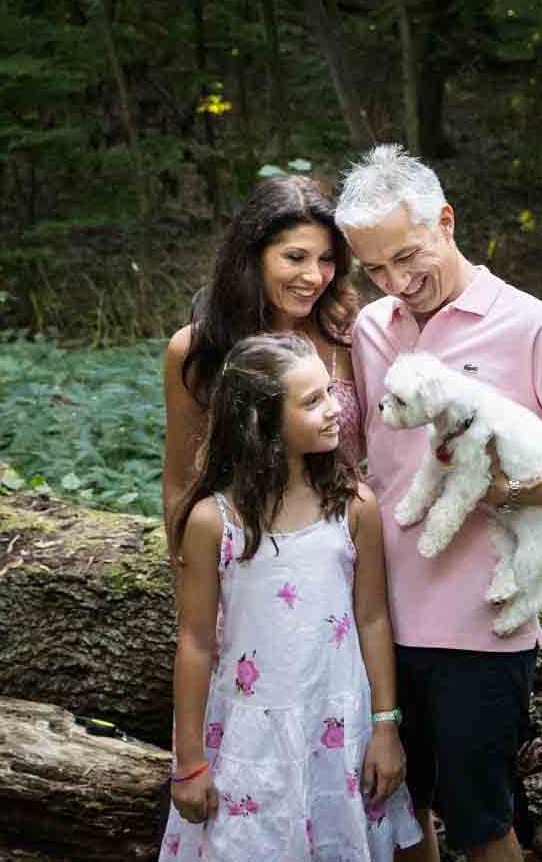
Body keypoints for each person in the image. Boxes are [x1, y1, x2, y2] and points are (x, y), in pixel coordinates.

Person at [335, 145, 542, 862]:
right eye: (375, 268)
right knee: (398, 815)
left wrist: (515, 491)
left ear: (446, 219)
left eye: (408, 256)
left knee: (482, 824)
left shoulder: (531, 324)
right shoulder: (371, 330)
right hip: (375, 617)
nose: (397, 282)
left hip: (481, 631)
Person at [161, 331, 422, 861]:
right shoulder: (216, 521)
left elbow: (372, 619)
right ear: (260, 421)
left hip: (337, 730)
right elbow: (194, 641)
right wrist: (188, 762)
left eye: (329, 392)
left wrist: (386, 727)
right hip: (248, 736)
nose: (333, 410)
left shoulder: (353, 506)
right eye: (312, 401)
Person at [163, 176, 362, 549]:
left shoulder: (352, 338)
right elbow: (180, 482)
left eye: (327, 259)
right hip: (241, 563)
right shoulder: (197, 347)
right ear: (253, 255)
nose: (314, 276)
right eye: (295, 257)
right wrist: (190, 578)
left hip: (340, 555)